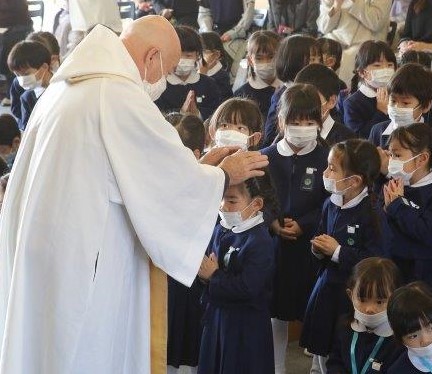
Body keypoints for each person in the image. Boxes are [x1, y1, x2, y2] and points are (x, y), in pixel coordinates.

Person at [0, 16, 269, 374]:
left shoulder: (68, 87)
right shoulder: (116, 95)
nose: (164, 80)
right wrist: (222, 176)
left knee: (49, 350)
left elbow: (138, 172)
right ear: (152, 56)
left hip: (52, 251)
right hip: (87, 263)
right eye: (168, 68)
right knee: (85, 352)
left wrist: (202, 168)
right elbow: (157, 183)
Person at [300, 139, 386, 372]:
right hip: (325, 287)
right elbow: (321, 234)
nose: (325, 173)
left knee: (339, 350)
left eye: (332, 169)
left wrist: (338, 251)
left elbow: (375, 258)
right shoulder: (330, 203)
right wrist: (317, 249)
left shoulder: (372, 212)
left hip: (349, 296)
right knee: (319, 346)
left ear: (355, 180)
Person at [261, 84, 329, 374]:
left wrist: (306, 223)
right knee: (275, 311)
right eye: (295, 122)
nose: (302, 128)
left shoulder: (329, 156)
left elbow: (331, 200)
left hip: (314, 245)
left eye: (309, 122)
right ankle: (277, 367)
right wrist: (273, 222)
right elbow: (257, 197)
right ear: (281, 121)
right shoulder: (265, 157)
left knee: (316, 308)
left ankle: (318, 365)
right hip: (275, 248)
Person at [197, 173, 279, 374]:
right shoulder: (221, 228)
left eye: (232, 200)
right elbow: (208, 263)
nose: (224, 206)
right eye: (222, 199)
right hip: (218, 316)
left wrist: (213, 276)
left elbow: (248, 287)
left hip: (244, 325)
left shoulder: (260, 242)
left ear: (256, 204)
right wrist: (204, 275)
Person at [383, 123, 432, 317]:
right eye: (390, 155)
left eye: (397, 155)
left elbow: (427, 232)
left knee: (425, 322)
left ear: (422, 158)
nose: (391, 161)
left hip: (425, 273)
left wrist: (397, 205)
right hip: (394, 268)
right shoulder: (392, 185)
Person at [165, 113, 206, 374]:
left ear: (196, 153)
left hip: (195, 279)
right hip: (164, 278)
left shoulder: (210, 180)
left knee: (193, 347)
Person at [327, 257, 405, 374]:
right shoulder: (344, 325)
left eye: (379, 302)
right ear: (350, 295)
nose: (369, 309)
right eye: (362, 300)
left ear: (395, 298)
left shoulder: (400, 337)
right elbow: (335, 361)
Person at [317, 0, 393, 86]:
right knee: (316, 50)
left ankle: (342, 94)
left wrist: (355, 2)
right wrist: (336, 6)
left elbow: (376, 23)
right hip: (336, 38)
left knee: (349, 57)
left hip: (367, 40)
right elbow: (323, 27)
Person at [155, 26, 221, 120]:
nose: (182, 60)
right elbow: (156, 116)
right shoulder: (159, 86)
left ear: (197, 55)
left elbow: (217, 113)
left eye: (188, 55)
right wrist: (181, 114)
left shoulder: (209, 84)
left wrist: (198, 114)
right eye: (177, 55)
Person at [262, 34, 317, 147]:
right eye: (312, 59)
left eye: (319, 59)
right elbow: (271, 135)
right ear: (294, 62)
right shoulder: (282, 95)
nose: (317, 64)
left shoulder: (317, 91)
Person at [368, 63, 432, 148]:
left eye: (405, 103)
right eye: (393, 101)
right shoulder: (377, 131)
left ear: (426, 106)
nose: (397, 107)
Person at [343, 41, 397, 139]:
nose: (385, 70)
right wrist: (381, 112)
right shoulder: (352, 103)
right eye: (377, 65)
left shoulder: (398, 96)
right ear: (362, 72)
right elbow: (357, 137)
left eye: (389, 65)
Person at [294, 63, 356, 145]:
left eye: (311, 98)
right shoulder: (290, 133)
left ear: (332, 101)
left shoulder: (346, 139)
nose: (304, 104)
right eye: (298, 97)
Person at [233, 31, 282, 120]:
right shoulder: (241, 95)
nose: (265, 62)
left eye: (271, 57)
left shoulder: (287, 89)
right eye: (259, 58)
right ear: (250, 60)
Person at [7, 41, 54, 131]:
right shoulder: (27, 99)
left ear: (44, 67)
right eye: (17, 75)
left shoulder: (63, 86)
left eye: (26, 74)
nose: (22, 79)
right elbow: (27, 131)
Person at [0, 0, 32, 105]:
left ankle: (11, 93)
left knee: (6, 48)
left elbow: (10, 17)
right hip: (12, 30)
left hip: (18, 30)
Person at [199, 32, 233, 102]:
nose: (199, 56)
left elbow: (212, 101)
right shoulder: (196, 70)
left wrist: (202, 74)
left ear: (216, 54)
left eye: (204, 51)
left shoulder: (222, 77)